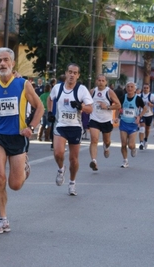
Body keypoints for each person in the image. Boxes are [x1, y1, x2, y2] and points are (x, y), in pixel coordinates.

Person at [0, 47, 44, 234]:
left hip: (18, 137)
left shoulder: (23, 85)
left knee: (15, 184)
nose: (2, 63)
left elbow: (40, 107)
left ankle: (24, 168)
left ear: (12, 63)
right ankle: (3, 219)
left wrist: (31, 128)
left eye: (6, 60)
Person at [47, 63, 93, 196]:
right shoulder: (57, 88)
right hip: (61, 125)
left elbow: (90, 108)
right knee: (58, 153)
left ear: (78, 75)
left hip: (75, 127)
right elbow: (50, 99)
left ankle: (72, 182)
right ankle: (61, 169)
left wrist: (80, 106)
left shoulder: (82, 90)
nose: (72, 75)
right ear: (66, 73)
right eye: (70, 72)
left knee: (73, 159)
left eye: (75, 73)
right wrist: (50, 112)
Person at [88, 74, 121, 171]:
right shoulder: (92, 92)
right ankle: (94, 161)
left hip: (106, 120)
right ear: (96, 81)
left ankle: (106, 148)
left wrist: (107, 107)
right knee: (94, 140)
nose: (101, 82)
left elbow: (118, 105)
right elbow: (86, 103)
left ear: (106, 82)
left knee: (107, 141)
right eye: (99, 80)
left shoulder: (109, 92)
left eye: (103, 80)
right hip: (94, 119)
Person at [114, 82, 147, 168]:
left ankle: (133, 148)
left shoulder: (138, 99)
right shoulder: (122, 97)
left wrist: (139, 116)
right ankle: (125, 161)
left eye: (132, 87)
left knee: (131, 145)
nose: (130, 88)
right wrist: (117, 117)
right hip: (124, 123)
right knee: (123, 144)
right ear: (125, 88)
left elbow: (145, 108)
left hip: (133, 124)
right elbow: (118, 107)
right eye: (128, 86)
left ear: (135, 89)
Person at [138, 83, 154, 150]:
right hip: (141, 114)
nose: (145, 89)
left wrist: (152, 105)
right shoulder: (139, 96)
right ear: (142, 88)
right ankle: (141, 143)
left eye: (147, 88)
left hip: (149, 114)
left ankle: (145, 139)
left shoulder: (152, 96)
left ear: (149, 89)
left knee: (147, 129)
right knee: (142, 127)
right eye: (144, 88)